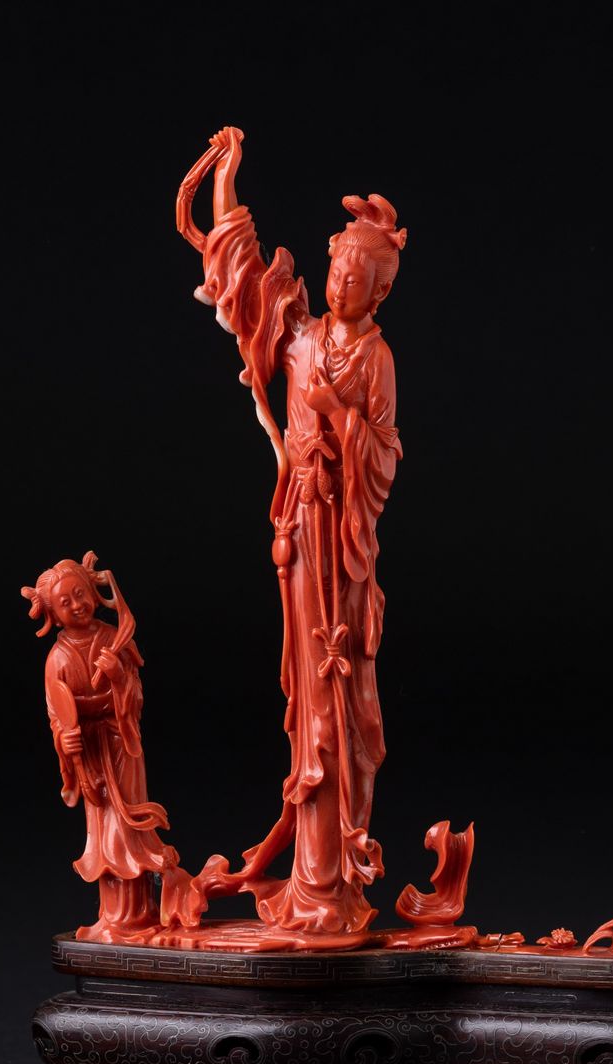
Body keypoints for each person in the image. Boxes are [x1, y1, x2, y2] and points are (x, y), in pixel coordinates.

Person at [178, 127, 406, 941]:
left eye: (357, 279)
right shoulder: (303, 336)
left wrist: (339, 417)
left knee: (342, 699)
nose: (340, 284)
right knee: (308, 693)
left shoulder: (374, 360)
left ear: (378, 293)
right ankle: (310, 877)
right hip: (301, 531)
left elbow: (385, 454)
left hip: (343, 545)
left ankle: (333, 876)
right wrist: (226, 179)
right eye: (337, 270)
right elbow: (244, 286)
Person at [21, 553, 203, 942]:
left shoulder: (114, 639)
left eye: (80, 594)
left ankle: (141, 915)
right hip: (90, 753)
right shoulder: (57, 658)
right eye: (65, 602)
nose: (77, 605)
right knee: (106, 832)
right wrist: (66, 741)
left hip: (120, 739)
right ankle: (116, 918)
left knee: (130, 827)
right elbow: (57, 714)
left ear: (93, 591)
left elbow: (135, 697)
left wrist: (120, 678)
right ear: (53, 614)